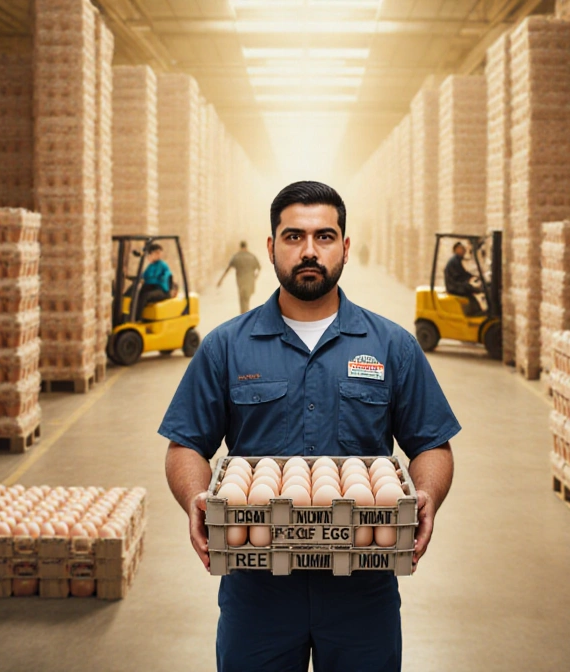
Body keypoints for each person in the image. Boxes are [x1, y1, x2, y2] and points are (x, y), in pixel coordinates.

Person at [160, 181, 459, 672]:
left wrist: (426, 493)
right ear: (271, 247)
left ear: (344, 246)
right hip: (257, 585)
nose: (308, 251)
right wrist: (196, 495)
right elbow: (185, 444)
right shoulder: (226, 346)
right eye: (294, 236)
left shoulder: (392, 345)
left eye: (324, 236)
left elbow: (432, 444)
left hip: (363, 580)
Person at [216, 241, 261, 313]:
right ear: (246, 247)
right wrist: (255, 277)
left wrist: (221, 280)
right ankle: (246, 313)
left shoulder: (236, 257)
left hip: (240, 281)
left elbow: (228, 269)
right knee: (246, 298)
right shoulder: (252, 256)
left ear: (240, 247)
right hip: (250, 281)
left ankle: (244, 314)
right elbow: (259, 268)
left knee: (242, 298)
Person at [443, 241, 483, 316]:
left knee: (472, 290)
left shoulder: (456, 260)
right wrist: (471, 281)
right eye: (462, 249)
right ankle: (475, 313)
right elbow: (460, 275)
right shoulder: (454, 260)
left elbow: (463, 273)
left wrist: (473, 276)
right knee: (473, 290)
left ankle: (474, 312)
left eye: (464, 249)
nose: (464, 251)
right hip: (454, 286)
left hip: (455, 284)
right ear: (456, 250)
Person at [136, 243, 174, 318]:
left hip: (162, 290)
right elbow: (144, 275)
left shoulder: (162, 264)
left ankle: (137, 318)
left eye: (159, 253)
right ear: (151, 254)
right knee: (137, 294)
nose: (159, 255)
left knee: (145, 296)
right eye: (156, 253)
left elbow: (168, 275)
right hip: (153, 288)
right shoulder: (151, 266)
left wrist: (162, 277)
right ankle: (134, 314)